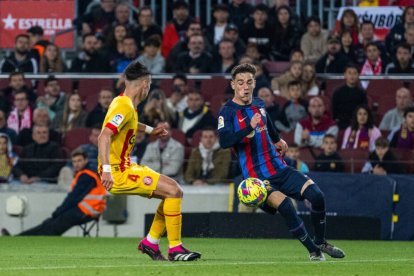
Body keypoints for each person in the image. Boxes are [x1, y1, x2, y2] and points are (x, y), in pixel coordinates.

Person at [218, 63, 345, 261]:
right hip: (258, 178)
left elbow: (266, 121)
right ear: (233, 85)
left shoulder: (259, 104)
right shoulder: (227, 112)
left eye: (249, 82)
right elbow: (224, 141)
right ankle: (313, 251)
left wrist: (277, 139)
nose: (245, 86)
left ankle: (320, 241)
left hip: (280, 168)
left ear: (254, 84)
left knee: (317, 196)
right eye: (240, 82)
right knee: (286, 206)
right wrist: (247, 129)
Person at [98, 61, 201, 261]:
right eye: (150, 85)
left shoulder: (123, 102)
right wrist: (108, 170)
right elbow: (104, 136)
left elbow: (129, 123)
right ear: (145, 84)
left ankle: (151, 243)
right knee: (174, 190)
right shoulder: (124, 105)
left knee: (171, 193)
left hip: (125, 167)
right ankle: (175, 249)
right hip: (119, 172)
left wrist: (150, 130)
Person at [2, 150, 106, 236]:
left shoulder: (86, 176)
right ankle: (18, 238)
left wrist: (59, 211)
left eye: (79, 161)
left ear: (86, 161)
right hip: (87, 210)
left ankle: (19, 239)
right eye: (74, 161)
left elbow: (74, 198)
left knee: (51, 226)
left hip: (86, 211)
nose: (77, 164)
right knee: (49, 224)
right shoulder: (88, 174)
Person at [331, 64, 368, 129]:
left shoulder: (362, 93)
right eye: (349, 73)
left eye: (354, 73)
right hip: (341, 124)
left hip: (357, 124)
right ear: (345, 75)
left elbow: (364, 110)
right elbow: (334, 112)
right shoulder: (338, 92)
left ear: (358, 75)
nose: (352, 76)